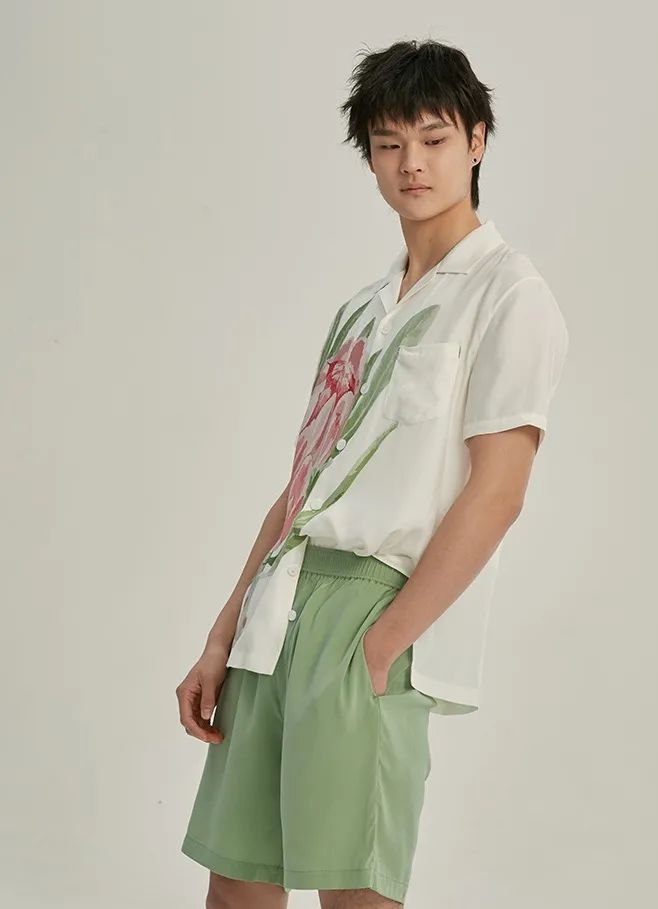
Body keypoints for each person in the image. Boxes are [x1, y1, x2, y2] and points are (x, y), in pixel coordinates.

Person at [176, 38, 569, 909]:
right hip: (278, 607)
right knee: (235, 887)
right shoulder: (360, 309)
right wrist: (221, 633)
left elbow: (498, 491)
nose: (410, 163)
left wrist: (386, 640)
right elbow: (302, 484)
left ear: (477, 141)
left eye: (432, 138)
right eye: (389, 144)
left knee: (354, 891)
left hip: (373, 607)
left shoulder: (508, 295)